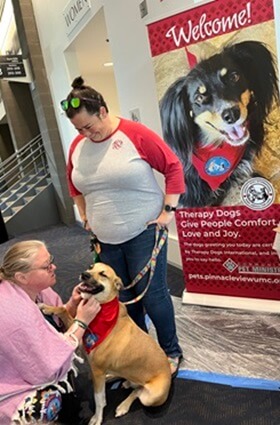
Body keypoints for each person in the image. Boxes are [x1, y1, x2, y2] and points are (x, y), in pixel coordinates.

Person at [62, 76, 185, 377]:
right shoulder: (78, 145)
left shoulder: (134, 134)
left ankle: (170, 351)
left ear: (102, 111)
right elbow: (74, 184)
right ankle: (139, 351)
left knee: (152, 296)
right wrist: (85, 216)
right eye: (78, 129)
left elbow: (173, 167)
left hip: (142, 232)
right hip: (105, 238)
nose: (85, 133)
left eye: (89, 126)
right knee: (124, 300)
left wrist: (167, 211)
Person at [0, 240, 100, 425]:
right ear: (22, 277)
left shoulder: (37, 290)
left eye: (51, 259)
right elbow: (45, 366)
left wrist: (71, 305)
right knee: (44, 407)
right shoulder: (15, 313)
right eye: (47, 266)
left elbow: (50, 327)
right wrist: (82, 321)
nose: (54, 266)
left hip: (26, 365)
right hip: (9, 387)